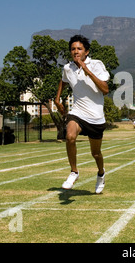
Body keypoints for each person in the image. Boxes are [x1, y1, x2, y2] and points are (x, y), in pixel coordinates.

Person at [54, 35, 110, 193]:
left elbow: (105, 89)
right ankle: (74, 172)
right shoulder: (68, 68)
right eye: (73, 49)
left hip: (96, 117)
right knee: (70, 136)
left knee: (96, 153)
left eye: (79, 49)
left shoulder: (96, 64)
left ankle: (101, 174)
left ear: (86, 52)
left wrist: (85, 69)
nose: (75, 51)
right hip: (78, 112)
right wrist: (57, 99)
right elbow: (63, 80)